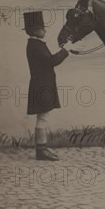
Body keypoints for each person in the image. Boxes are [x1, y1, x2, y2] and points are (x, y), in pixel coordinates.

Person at [24, 10, 69, 161]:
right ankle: (41, 150)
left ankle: (41, 148)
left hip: (42, 85)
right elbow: (51, 61)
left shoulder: (35, 44)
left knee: (43, 116)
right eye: (42, 28)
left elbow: (48, 60)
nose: (45, 30)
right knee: (43, 117)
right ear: (35, 30)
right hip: (42, 87)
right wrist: (66, 50)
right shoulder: (35, 46)